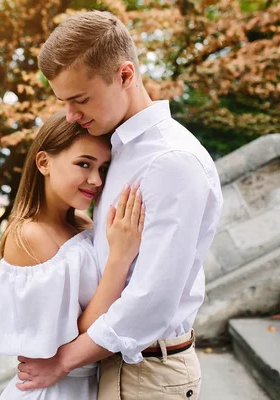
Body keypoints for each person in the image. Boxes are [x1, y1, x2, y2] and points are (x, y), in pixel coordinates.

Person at [15, 11, 224, 399]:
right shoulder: (116, 149)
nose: (71, 115)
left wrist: (62, 361)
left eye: (80, 99)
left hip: (149, 375)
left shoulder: (170, 162)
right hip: (116, 364)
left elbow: (152, 302)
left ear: (125, 76)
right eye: (63, 101)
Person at [0, 110, 146, 399]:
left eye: (103, 169)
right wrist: (120, 257)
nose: (95, 180)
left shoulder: (82, 223)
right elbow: (77, 334)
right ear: (44, 162)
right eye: (84, 164)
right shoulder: (29, 237)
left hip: (92, 382)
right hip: (56, 390)